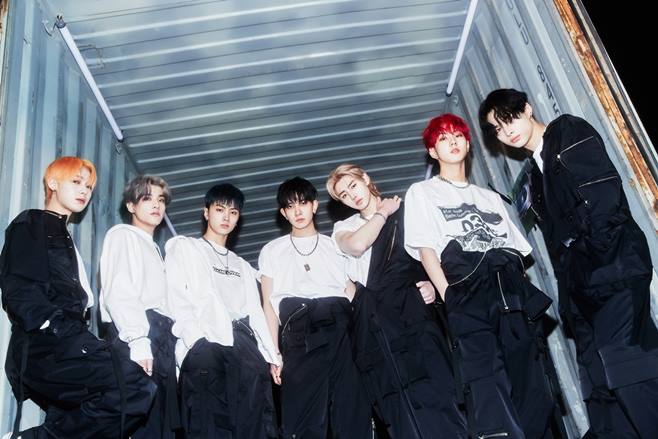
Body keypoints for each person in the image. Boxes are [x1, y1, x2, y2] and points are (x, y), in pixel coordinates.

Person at [480, 88, 658, 438]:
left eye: (510, 118)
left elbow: (604, 199)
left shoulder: (566, 132)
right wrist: (571, 295)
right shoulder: (536, 174)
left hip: (613, 268)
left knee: (627, 367)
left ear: (527, 108)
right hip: (583, 288)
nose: (507, 130)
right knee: (598, 384)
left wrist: (598, 259)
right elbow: (558, 244)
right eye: (498, 129)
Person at [404, 114, 565, 439]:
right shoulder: (423, 192)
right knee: (487, 382)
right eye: (442, 138)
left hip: (510, 290)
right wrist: (449, 296)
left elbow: (516, 253)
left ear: (468, 144)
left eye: (457, 135)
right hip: (466, 288)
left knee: (532, 382)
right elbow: (426, 250)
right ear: (433, 151)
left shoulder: (490, 198)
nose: (452, 141)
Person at [0, 156, 156, 439]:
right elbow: (20, 289)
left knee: (87, 415)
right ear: (52, 183)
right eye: (76, 182)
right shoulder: (32, 222)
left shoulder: (64, 235)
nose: (84, 190)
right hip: (47, 346)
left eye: (89, 186)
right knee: (135, 386)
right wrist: (55, 326)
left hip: (67, 342)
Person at [325, 164, 466, 439]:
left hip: (411, 311)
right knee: (397, 399)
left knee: (437, 388)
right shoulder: (344, 227)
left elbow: (432, 253)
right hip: (374, 321)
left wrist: (432, 285)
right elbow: (356, 246)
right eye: (343, 195)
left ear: (365, 178)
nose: (352, 196)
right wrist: (382, 213)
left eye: (353, 185)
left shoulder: (407, 213)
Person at [258, 177, 371, 439]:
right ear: (283, 213)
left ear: (315, 205)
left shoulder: (334, 245)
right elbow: (268, 305)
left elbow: (352, 293)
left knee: (353, 412)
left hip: (341, 326)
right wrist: (273, 353)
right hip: (299, 330)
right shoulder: (272, 250)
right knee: (302, 419)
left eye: (303, 203)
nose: (297, 211)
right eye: (290, 206)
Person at [165, 183, 279, 438]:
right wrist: (196, 340)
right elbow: (176, 297)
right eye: (219, 209)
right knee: (210, 427)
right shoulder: (185, 247)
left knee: (255, 427)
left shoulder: (242, 265)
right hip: (206, 343)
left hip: (245, 348)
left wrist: (270, 355)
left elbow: (256, 313)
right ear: (206, 212)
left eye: (233, 212)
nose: (226, 217)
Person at [99, 175, 179, 438]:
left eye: (161, 200)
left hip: (161, 337)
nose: (156, 205)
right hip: (137, 333)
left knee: (161, 426)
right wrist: (138, 340)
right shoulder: (123, 235)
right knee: (141, 424)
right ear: (131, 206)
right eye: (147, 198)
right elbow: (119, 291)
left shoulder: (155, 248)